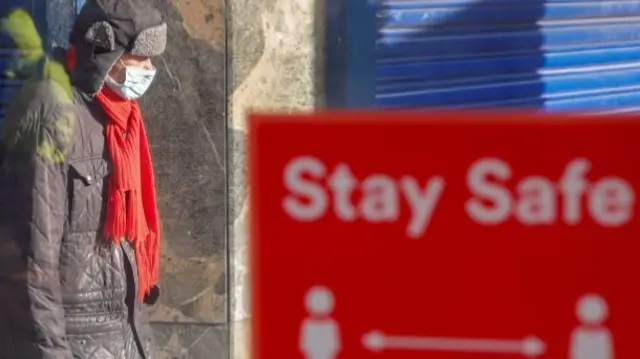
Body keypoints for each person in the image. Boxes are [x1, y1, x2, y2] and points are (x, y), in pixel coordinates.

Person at [0, 0, 166, 358]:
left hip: (125, 337)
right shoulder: (51, 109)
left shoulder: (119, 117)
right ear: (107, 53)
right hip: (74, 341)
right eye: (141, 59)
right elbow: (30, 262)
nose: (150, 69)